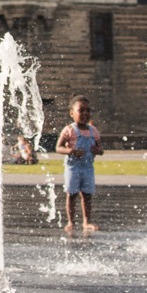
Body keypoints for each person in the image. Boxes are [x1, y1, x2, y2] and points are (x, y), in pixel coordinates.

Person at [55, 96, 103, 236]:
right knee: (72, 194)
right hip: (73, 167)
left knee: (87, 195)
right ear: (72, 113)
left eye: (88, 110)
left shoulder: (93, 131)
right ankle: (71, 221)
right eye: (81, 110)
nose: (85, 114)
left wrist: (97, 151)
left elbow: (101, 149)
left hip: (88, 167)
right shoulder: (69, 130)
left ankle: (86, 221)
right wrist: (70, 151)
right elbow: (58, 148)